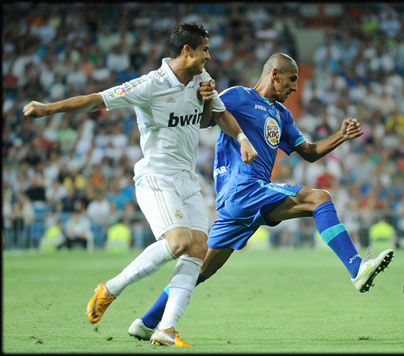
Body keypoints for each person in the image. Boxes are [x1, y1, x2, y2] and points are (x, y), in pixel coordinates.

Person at [127, 53, 394, 341]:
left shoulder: (282, 114)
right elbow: (206, 120)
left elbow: (309, 152)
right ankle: (357, 268)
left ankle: (145, 322)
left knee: (201, 268)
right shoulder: (238, 97)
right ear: (275, 74)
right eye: (292, 80)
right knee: (319, 198)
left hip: (240, 202)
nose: (294, 87)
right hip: (243, 190)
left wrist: (341, 136)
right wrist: (205, 98)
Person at [23, 22, 257, 347]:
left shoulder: (202, 81)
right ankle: (111, 288)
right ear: (187, 50)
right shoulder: (150, 85)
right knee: (179, 242)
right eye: (205, 49)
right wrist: (47, 108)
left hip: (187, 178)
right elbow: (96, 99)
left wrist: (241, 137)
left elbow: (216, 117)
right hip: (156, 178)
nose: (209, 55)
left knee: (198, 251)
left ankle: (166, 328)